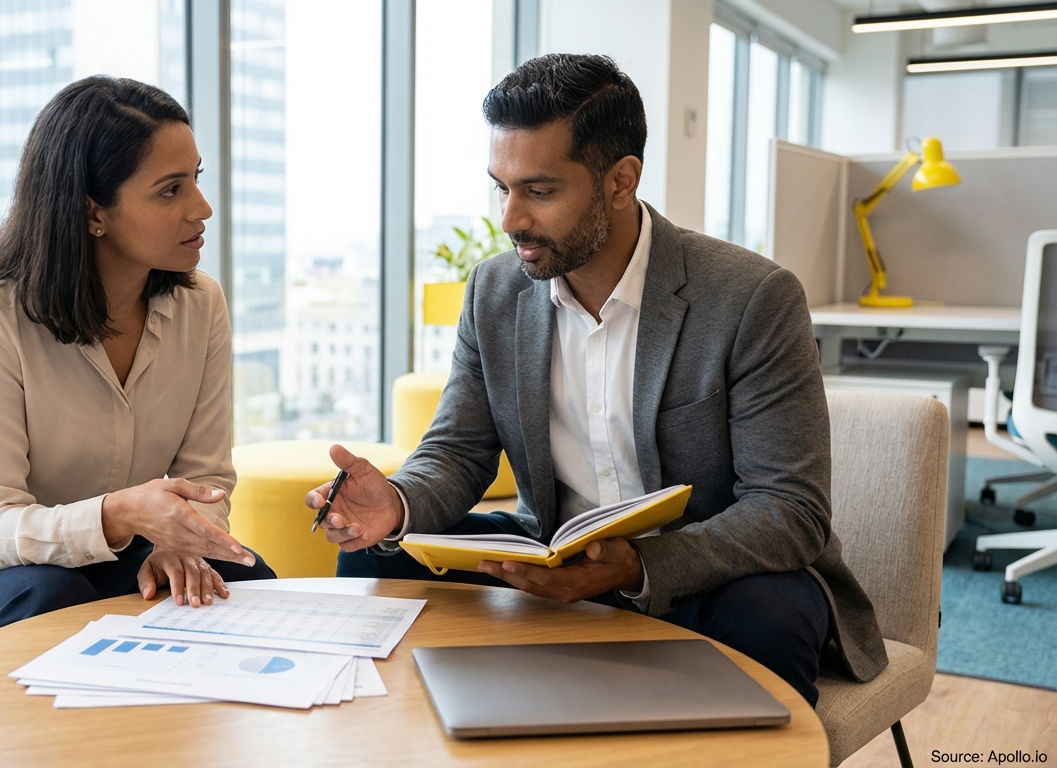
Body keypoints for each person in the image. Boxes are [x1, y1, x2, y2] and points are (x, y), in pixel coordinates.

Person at [306, 54, 887, 706]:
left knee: (770, 617)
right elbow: (458, 451)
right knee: (377, 556)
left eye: (539, 190)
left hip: (704, 571)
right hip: (553, 560)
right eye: (502, 187)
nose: (510, 219)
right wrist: (396, 503)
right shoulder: (493, 292)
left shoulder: (752, 297)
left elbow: (790, 511)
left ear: (620, 180)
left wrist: (642, 564)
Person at [0, 77, 275, 672]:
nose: (202, 209)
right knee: (53, 600)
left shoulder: (202, 304)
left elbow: (207, 476)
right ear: (94, 211)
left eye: (197, 179)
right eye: (170, 190)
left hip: (116, 555)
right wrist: (123, 515)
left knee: (244, 580)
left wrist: (179, 540)